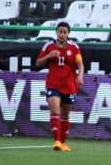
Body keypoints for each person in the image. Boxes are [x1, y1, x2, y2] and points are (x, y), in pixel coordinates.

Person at [36, 21, 84, 152]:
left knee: (65, 115)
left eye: (65, 32)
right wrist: (48, 56)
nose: (62, 34)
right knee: (55, 111)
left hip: (69, 85)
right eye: (60, 31)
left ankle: (62, 143)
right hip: (53, 84)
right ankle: (56, 141)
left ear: (68, 33)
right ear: (56, 32)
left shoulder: (74, 47)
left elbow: (80, 63)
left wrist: (80, 75)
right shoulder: (48, 46)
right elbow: (38, 63)